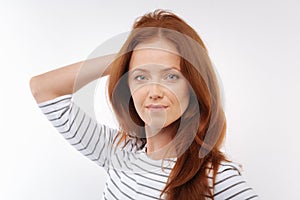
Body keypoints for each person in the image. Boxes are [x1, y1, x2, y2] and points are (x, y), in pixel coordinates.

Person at [30, 9, 259, 200]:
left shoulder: (216, 177)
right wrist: (122, 59)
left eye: (171, 77)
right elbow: (43, 88)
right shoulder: (118, 151)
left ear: (193, 86)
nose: (155, 92)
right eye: (141, 77)